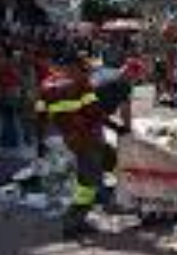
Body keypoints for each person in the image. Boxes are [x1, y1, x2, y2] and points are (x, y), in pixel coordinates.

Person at [38, 48, 129, 238]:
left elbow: (40, 115)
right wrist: (117, 127)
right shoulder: (80, 83)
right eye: (82, 66)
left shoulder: (46, 85)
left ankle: (104, 200)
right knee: (88, 184)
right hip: (88, 138)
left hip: (70, 139)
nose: (85, 69)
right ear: (74, 66)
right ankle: (73, 222)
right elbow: (94, 112)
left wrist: (40, 141)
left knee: (107, 160)